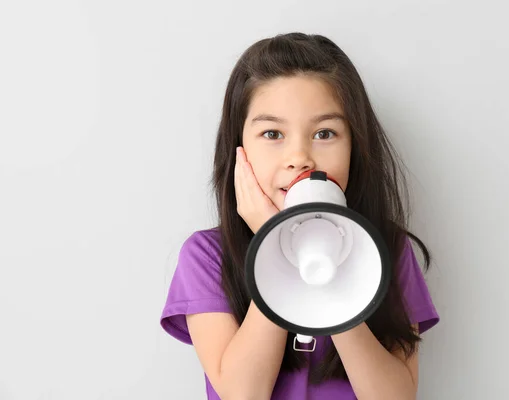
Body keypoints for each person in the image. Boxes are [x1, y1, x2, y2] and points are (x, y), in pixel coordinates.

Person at [160, 32, 439, 399]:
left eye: (325, 133)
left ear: (355, 147)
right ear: (239, 150)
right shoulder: (206, 256)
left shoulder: (389, 249)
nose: (300, 157)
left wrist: (332, 274)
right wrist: (274, 246)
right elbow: (243, 395)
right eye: (273, 133)